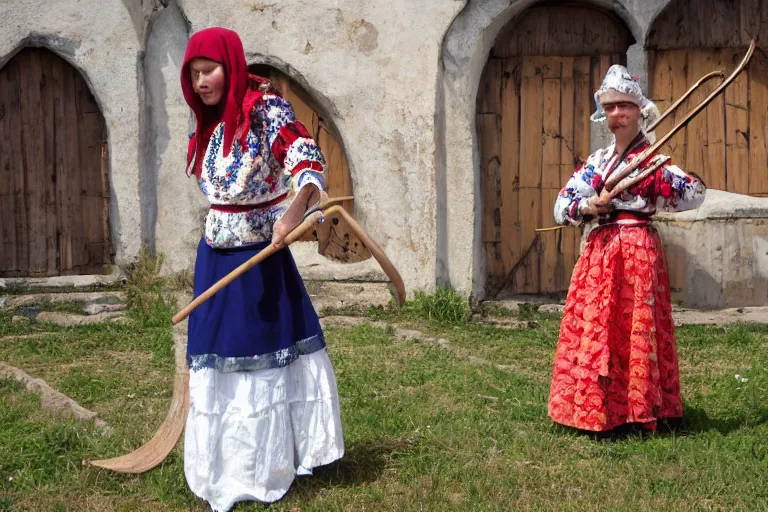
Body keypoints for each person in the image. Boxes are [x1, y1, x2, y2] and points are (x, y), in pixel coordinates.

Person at [180, 27, 343, 511]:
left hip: (259, 262)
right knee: (216, 358)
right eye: (193, 73)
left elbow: (307, 162)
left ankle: (264, 464)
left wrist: (291, 217)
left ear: (230, 66)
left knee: (259, 361)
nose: (201, 81)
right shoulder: (207, 122)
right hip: (214, 259)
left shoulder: (265, 108)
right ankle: (221, 465)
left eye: (207, 70)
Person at [548, 65, 706, 433]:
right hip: (600, 254)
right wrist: (588, 207)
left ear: (639, 110)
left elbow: (694, 195)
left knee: (636, 326)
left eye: (625, 106)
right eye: (610, 107)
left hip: (638, 252)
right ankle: (597, 409)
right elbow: (561, 206)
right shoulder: (597, 163)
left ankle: (639, 410)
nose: (617, 115)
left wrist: (660, 182)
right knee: (599, 328)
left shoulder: (654, 161)